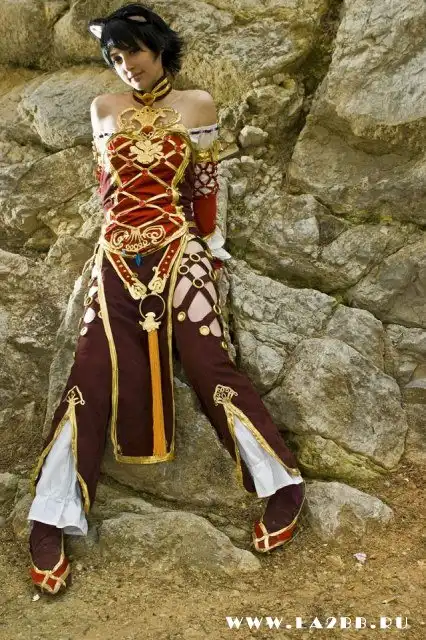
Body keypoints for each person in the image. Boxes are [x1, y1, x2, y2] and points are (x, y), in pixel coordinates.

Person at [27, 2, 305, 595]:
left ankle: (282, 483)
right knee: (89, 371)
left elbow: (204, 189)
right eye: (114, 57)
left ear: (158, 47)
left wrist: (211, 249)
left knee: (208, 361)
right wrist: (108, 252)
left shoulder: (198, 105)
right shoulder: (103, 109)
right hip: (115, 254)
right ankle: (50, 514)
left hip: (180, 249)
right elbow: (107, 190)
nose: (125, 65)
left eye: (132, 51)